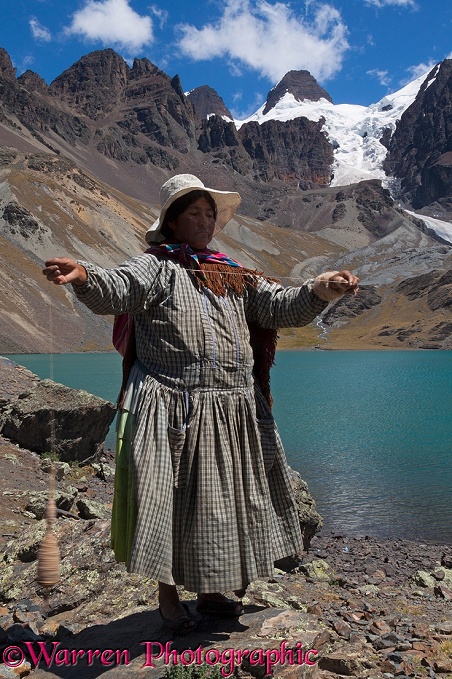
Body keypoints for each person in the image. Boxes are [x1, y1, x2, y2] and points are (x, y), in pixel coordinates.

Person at [43, 173, 359, 634]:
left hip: (231, 407)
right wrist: (85, 276)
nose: (205, 221)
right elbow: (119, 287)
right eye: (194, 213)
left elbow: (279, 307)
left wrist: (320, 290)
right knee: (167, 499)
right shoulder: (157, 267)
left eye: (210, 214)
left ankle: (212, 588)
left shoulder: (229, 272)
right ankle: (168, 595)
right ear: (172, 221)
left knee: (220, 503)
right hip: (170, 403)